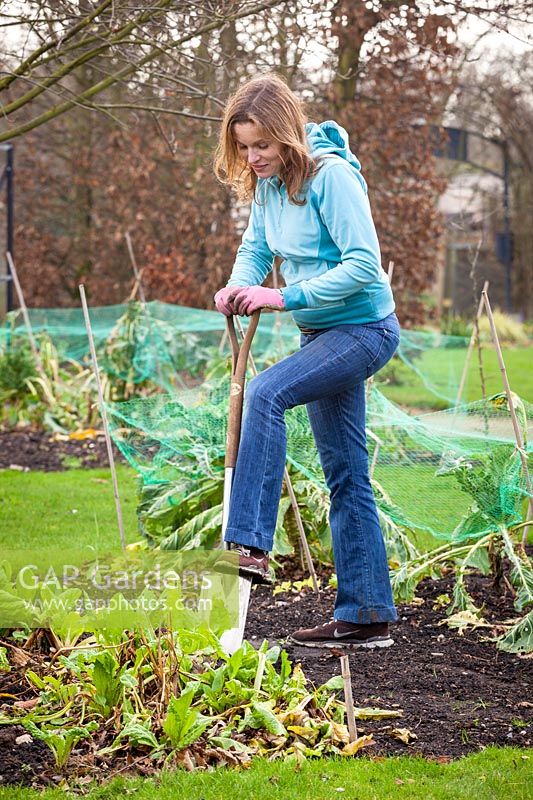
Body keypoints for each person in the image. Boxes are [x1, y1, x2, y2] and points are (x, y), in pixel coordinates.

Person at [212, 73, 400, 650]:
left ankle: (248, 543)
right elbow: (258, 247)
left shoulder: (331, 177)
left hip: (364, 328)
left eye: (262, 145)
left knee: (267, 394)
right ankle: (367, 616)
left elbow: (364, 266)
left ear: (287, 134)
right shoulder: (269, 186)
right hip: (320, 333)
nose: (253, 157)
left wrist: (282, 296)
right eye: (243, 146)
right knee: (345, 472)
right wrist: (239, 286)